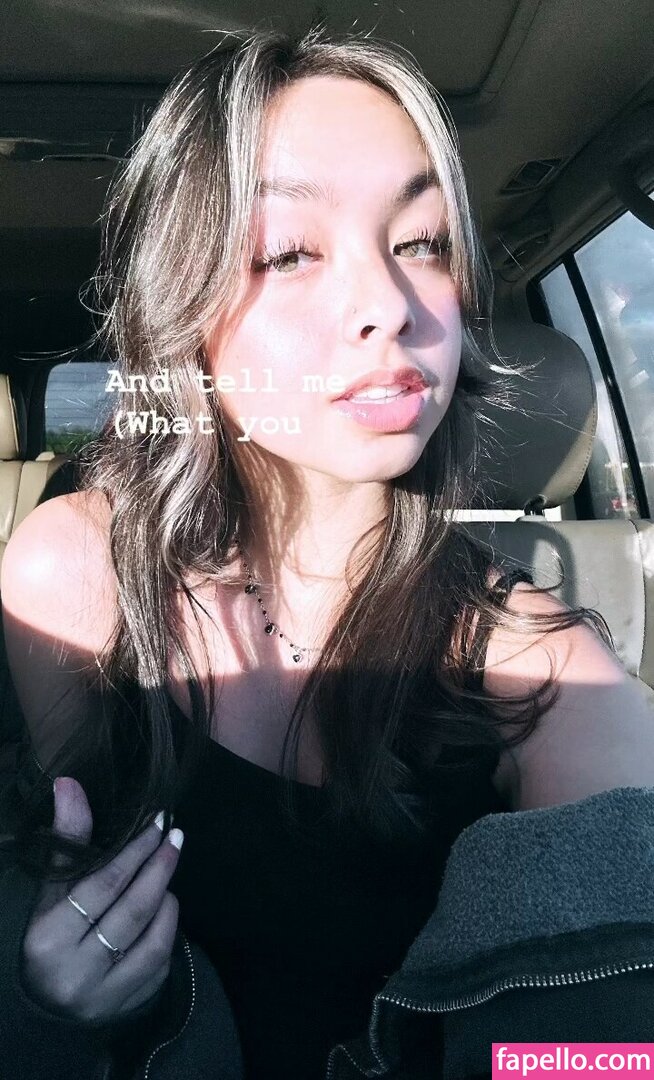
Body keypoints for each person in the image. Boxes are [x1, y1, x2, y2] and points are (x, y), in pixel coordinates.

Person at [0, 24, 653, 1080]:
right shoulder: (73, 575)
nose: (389, 308)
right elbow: (75, 869)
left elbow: (607, 1019)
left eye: (423, 242)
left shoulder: (547, 665)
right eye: (288, 253)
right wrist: (58, 1004)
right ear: (185, 310)